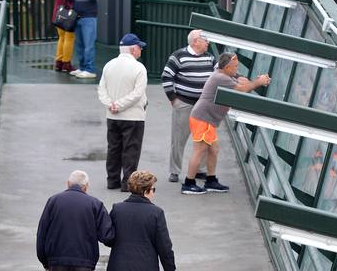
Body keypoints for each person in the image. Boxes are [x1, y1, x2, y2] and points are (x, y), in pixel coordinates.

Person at [182, 52, 270, 195]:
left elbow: (239, 79)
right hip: (203, 119)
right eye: (235, 66)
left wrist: (247, 79)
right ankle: (188, 183)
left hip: (207, 119)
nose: (237, 69)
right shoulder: (221, 78)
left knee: (214, 150)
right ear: (227, 67)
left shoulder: (223, 73)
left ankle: (210, 180)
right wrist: (258, 82)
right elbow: (242, 89)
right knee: (199, 150)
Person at [161, 30, 215, 183]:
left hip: (204, 106)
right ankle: (174, 171)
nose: (208, 43)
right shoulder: (178, 56)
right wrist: (173, 98)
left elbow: (222, 72)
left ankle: (200, 170)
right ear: (195, 42)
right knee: (178, 139)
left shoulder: (210, 57)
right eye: (205, 40)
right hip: (184, 104)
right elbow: (166, 76)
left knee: (203, 139)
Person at [98, 33, 148, 191]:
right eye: (139, 47)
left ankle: (112, 180)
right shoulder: (139, 68)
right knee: (131, 150)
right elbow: (137, 94)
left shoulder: (108, 65)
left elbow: (101, 89)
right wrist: (119, 105)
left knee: (113, 148)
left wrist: (111, 105)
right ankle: (128, 183)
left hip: (112, 116)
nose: (140, 50)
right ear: (133, 50)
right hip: (133, 116)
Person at [66, 0, 101, 79]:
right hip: (77, 17)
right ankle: (82, 67)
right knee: (79, 45)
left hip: (89, 17)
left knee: (89, 45)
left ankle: (90, 69)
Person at [52, 0, 77, 73]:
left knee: (61, 37)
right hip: (69, 14)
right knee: (69, 38)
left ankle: (59, 62)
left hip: (57, 13)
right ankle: (66, 63)